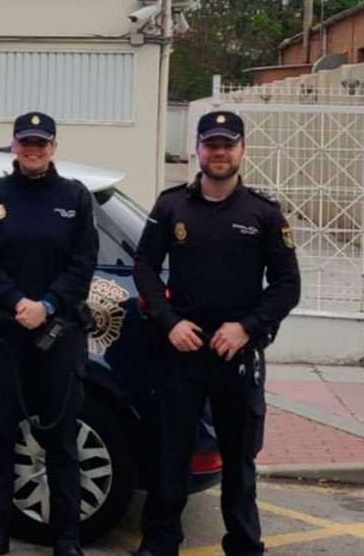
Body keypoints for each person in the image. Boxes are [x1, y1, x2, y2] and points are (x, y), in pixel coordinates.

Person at [133, 111, 301, 556]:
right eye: (212, 144)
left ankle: (244, 546)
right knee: (170, 453)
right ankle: (160, 541)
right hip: (182, 350)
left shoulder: (263, 214)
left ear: (242, 149)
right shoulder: (172, 206)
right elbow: (144, 266)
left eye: (228, 144)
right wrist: (169, 321)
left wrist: (247, 328)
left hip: (236, 355)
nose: (219, 152)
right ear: (198, 150)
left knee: (238, 460)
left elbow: (287, 285)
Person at [0, 111, 98, 556]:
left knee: (61, 438)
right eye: (26, 142)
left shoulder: (75, 197)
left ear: (53, 147)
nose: (33, 149)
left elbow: (83, 264)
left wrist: (48, 305)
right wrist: (17, 302)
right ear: (15, 145)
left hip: (58, 333)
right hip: (5, 333)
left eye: (41, 142)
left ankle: (67, 539)